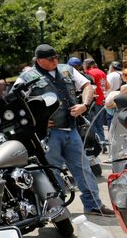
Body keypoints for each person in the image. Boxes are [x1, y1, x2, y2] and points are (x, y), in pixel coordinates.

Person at [16, 44, 114, 216]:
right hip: (48, 136)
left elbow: (87, 86)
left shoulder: (67, 70)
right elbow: (16, 103)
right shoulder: (27, 77)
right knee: (51, 172)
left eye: (56, 57)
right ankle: (56, 209)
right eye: (50, 58)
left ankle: (93, 205)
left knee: (83, 168)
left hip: (71, 129)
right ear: (39, 60)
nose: (55, 61)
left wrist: (84, 105)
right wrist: (39, 121)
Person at [82, 58, 109, 146]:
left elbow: (89, 88)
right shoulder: (102, 72)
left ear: (86, 65)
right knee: (100, 124)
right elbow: (108, 86)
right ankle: (103, 142)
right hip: (102, 100)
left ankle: (98, 143)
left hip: (94, 102)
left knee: (92, 124)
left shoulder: (89, 73)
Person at [106, 61, 123, 126]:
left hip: (112, 103)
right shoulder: (124, 73)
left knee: (112, 126)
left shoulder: (111, 75)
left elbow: (107, 88)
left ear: (112, 68)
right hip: (124, 102)